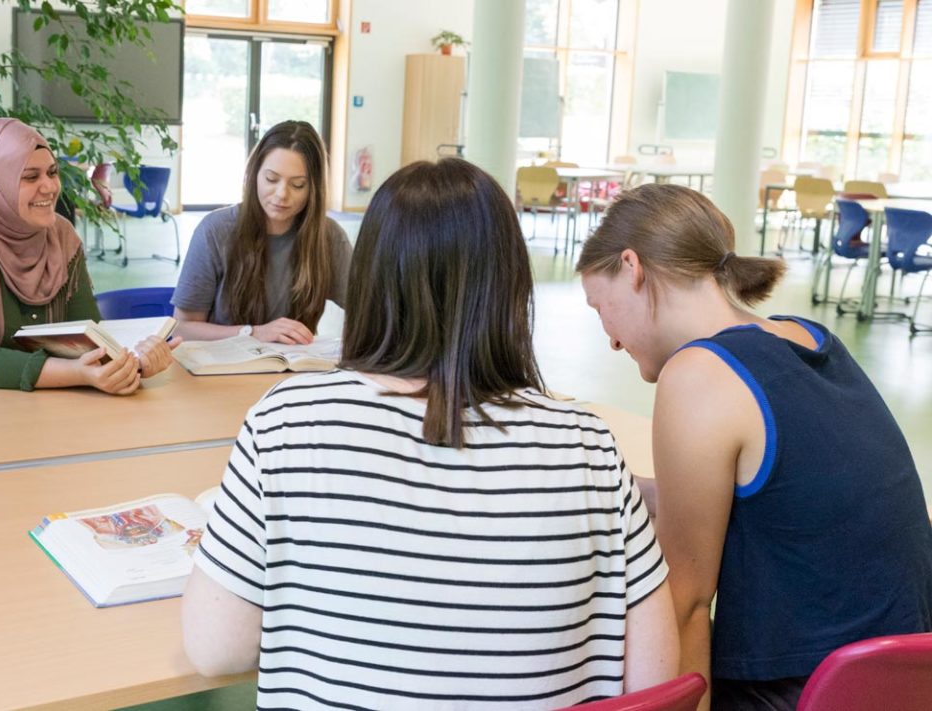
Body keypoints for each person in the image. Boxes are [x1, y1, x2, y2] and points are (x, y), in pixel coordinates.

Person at [181, 158, 679, 709]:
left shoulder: (286, 422)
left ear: (370, 277)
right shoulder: (588, 444)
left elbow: (215, 651)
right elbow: (655, 678)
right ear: (510, 285)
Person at [576, 183, 932, 710]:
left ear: (632, 268)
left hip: (807, 692)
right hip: (899, 678)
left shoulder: (698, 373)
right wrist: (626, 491)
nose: (610, 339)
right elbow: (776, 503)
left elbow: (689, 605)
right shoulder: (806, 339)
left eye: (600, 307)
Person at [0, 118, 174, 393]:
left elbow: (89, 337)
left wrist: (130, 365)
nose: (49, 187)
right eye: (30, 177)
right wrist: (80, 373)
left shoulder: (59, 234)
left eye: (52, 172)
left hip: (41, 404)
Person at [171, 120, 353, 344]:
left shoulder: (329, 237)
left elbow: (368, 310)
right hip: (224, 369)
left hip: (296, 371)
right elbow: (183, 328)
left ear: (313, 189)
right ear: (254, 174)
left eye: (297, 185)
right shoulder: (215, 231)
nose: (281, 194)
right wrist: (254, 332)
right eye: (271, 179)